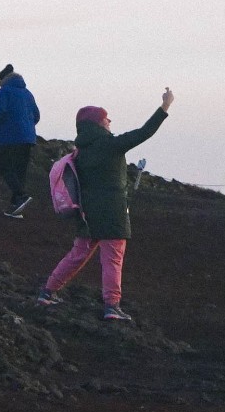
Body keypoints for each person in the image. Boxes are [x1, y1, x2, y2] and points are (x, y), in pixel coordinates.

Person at [37, 89, 176, 321]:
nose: (109, 121)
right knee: (112, 259)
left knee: (77, 254)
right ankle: (112, 306)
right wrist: (165, 107)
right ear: (97, 123)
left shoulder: (80, 151)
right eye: (105, 118)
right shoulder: (110, 145)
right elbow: (144, 132)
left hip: (87, 213)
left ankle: (47, 292)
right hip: (112, 212)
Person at [0, 64, 40, 216]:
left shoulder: (3, 92)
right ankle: (15, 207)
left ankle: (21, 196)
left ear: (3, 80)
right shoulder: (28, 93)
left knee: (5, 168)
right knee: (20, 171)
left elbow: (1, 112)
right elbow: (36, 115)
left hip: (9, 137)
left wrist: (0, 127)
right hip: (28, 138)